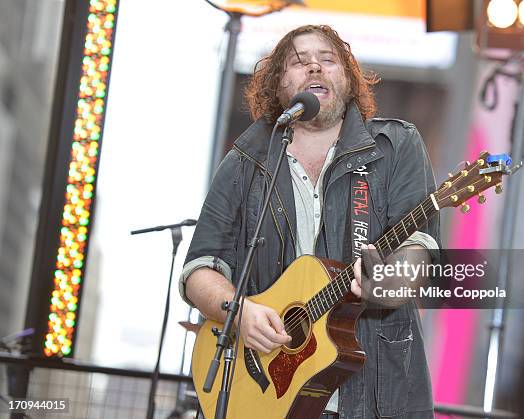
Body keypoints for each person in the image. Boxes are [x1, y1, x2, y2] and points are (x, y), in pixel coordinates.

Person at [179, 25, 440, 419]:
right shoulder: (245, 162)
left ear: (348, 80)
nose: (315, 67)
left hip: (373, 398)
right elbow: (199, 269)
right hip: (268, 398)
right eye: (299, 63)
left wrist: (382, 283)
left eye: (328, 60)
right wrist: (241, 312)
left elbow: (419, 251)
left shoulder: (396, 146)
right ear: (278, 86)